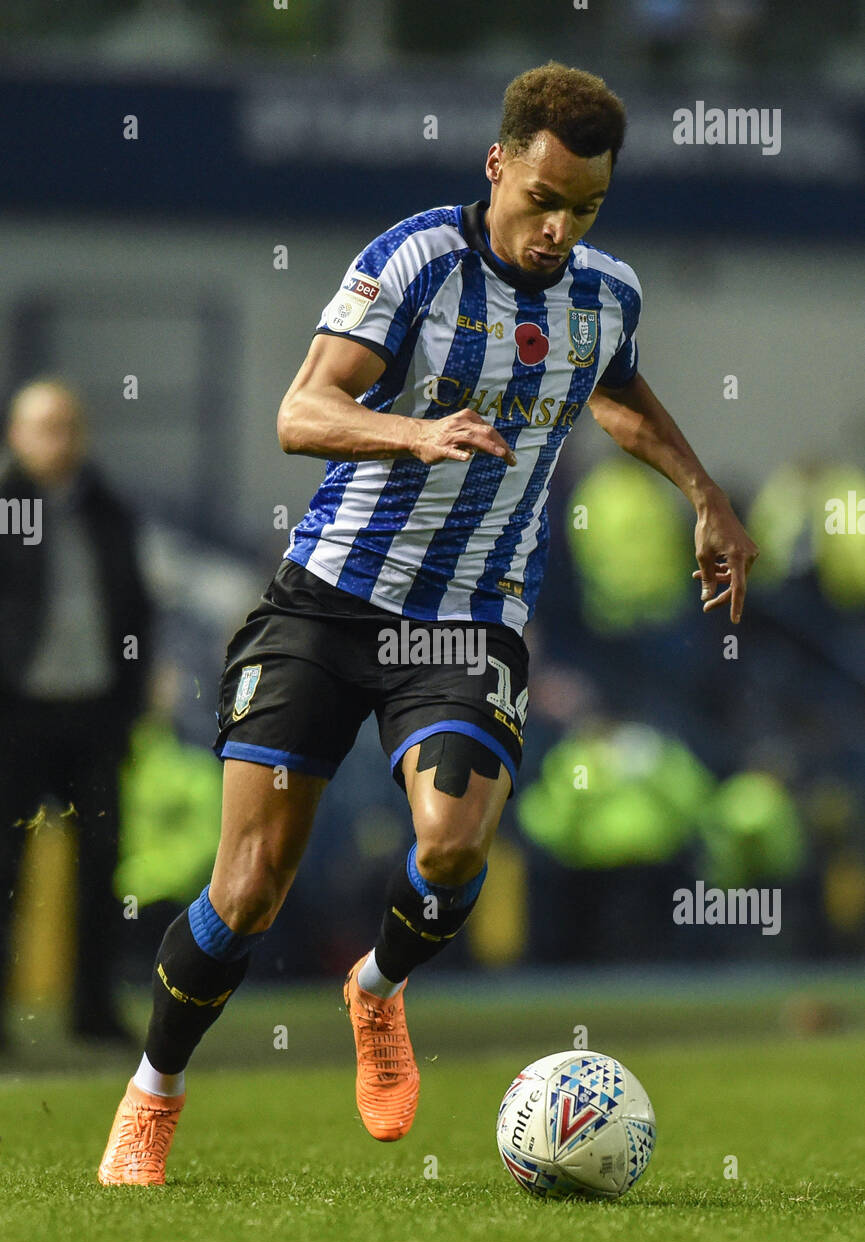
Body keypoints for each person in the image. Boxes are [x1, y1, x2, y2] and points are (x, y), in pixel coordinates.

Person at [98, 61, 758, 1184]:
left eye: (584, 208)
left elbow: (614, 389)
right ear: (497, 163)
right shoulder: (414, 260)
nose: (558, 229)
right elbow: (300, 411)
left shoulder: (606, 293)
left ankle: (377, 988)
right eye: (542, 199)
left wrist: (702, 493)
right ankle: (153, 1091)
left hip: (470, 616)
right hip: (327, 598)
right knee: (249, 883)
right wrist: (414, 433)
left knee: (451, 847)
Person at [0, 379, 152, 1043]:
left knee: (100, 868)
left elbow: (137, 608)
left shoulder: (108, 509)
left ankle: (92, 1010)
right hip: (15, 715)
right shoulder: (6, 507)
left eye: (65, 425)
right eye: (40, 426)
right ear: (15, 435)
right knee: (4, 870)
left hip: (93, 715)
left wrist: (131, 701)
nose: (54, 439)